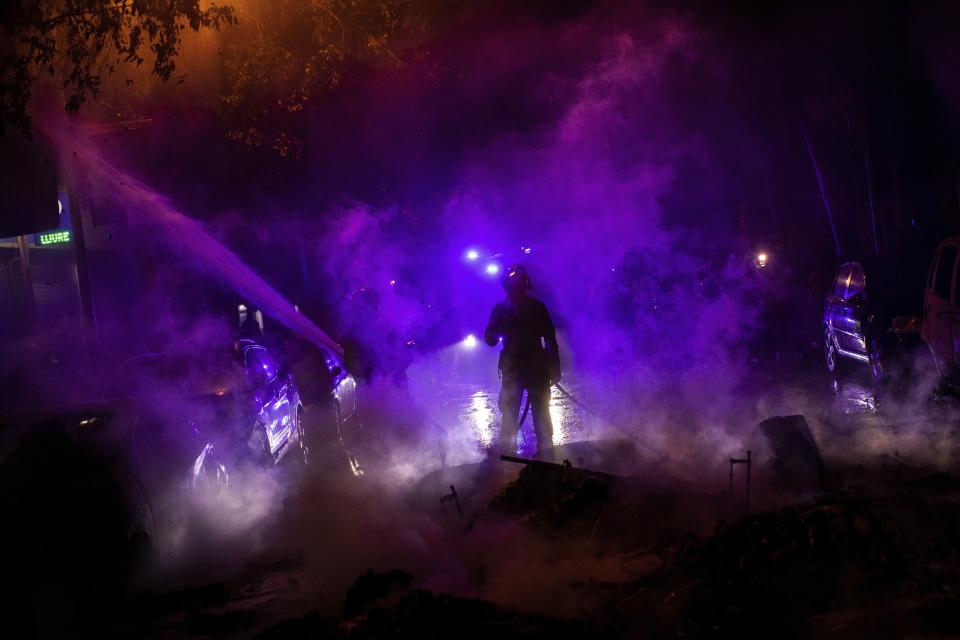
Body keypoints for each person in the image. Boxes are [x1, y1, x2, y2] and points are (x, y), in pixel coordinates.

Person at [484, 264, 561, 455]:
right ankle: (533, 456)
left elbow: (550, 338)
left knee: (531, 415)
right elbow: (491, 339)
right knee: (521, 415)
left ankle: (517, 458)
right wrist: (555, 367)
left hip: (524, 369)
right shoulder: (529, 308)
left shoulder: (528, 308)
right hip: (526, 369)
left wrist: (555, 367)